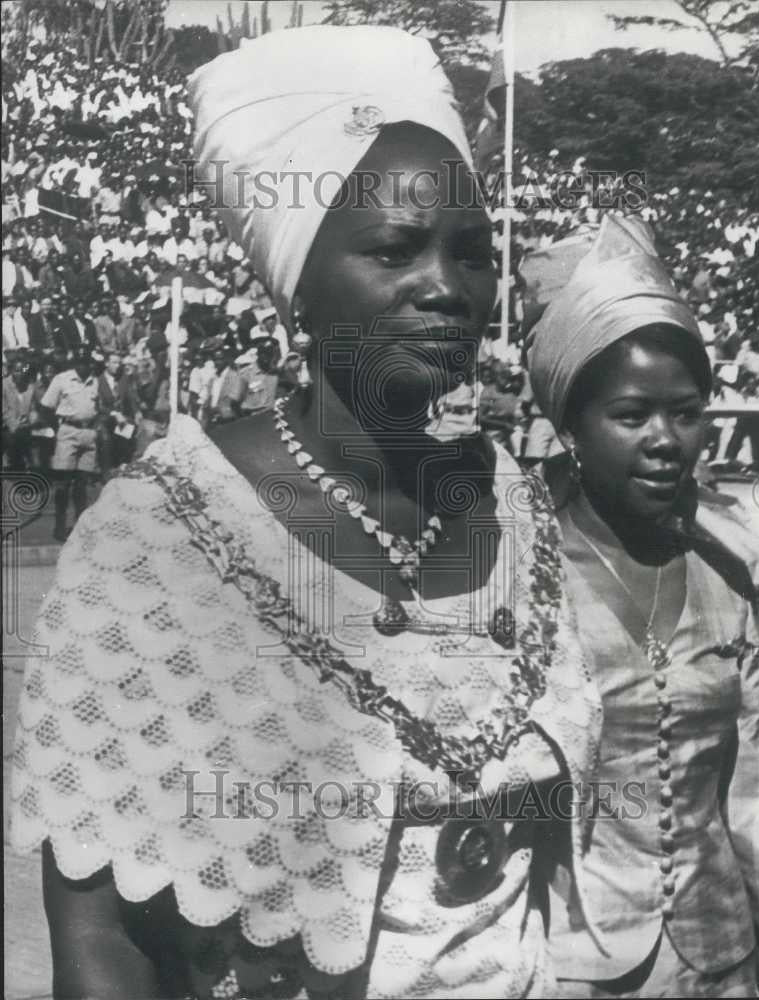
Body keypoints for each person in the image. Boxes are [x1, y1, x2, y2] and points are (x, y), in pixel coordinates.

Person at [11, 26, 601, 1000]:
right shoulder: (159, 538)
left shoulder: (519, 511)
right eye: (393, 250)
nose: (445, 288)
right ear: (299, 286)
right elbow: (100, 940)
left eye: (470, 253)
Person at [528, 215, 759, 998]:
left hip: (722, 958)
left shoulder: (726, 572)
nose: (666, 439)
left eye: (687, 412)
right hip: (574, 963)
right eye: (632, 415)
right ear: (571, 425)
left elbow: (751, 788)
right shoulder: (522, 577)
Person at [37, 344, 102, 540]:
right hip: (68, 431)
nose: (83, 366)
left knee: (82, 483)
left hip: (88, 433)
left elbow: (99, 406)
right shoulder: (62, 379)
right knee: (63, 483)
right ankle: (59, 525)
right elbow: (46, 407)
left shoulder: (95, 381)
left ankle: (80, 527)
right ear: (74, 363)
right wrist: (58, 429)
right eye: (79, 362)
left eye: (86, 362)